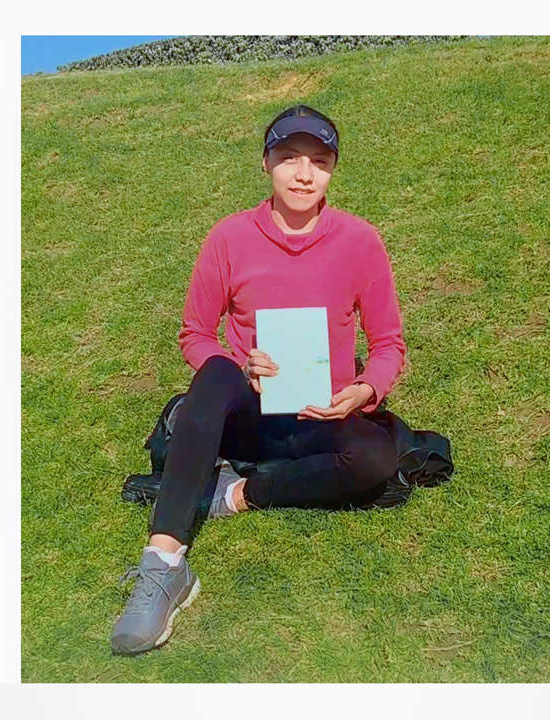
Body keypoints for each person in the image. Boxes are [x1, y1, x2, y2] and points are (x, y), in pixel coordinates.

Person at [109, 105, 408, 655]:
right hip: (248, 414)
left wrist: (365, 390)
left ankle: (235, 494)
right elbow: (195, 334)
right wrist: (243, 367)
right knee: (216, 374)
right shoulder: (229, 238)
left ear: (332, 171)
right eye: (289, 158)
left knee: (375, 460)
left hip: (322, 416)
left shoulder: (360, 241)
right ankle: (164, 564)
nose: (304, 174)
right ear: (265, 163)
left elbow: (389, 343)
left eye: (319, 162)